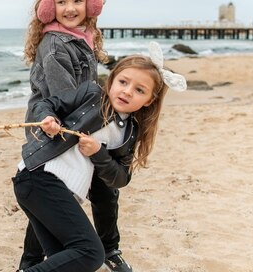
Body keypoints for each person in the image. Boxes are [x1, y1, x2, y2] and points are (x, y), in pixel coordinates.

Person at [13, 46, 187, 272]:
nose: (127, 92)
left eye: (139, 90)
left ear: (149, 101)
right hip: (39, 175)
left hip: (57, 190)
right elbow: (46, 104)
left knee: (67, 260)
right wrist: (48, 117)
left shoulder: (130, 132)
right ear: (112, 80)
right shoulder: (91, 94)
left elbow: (120, 177)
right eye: (123, 82)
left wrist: (98, 153)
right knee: (91, 253)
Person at [21, 0, 138, 272]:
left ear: (91, 3)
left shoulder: (81, 37)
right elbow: (65, 99)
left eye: (76, 1)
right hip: (56, 127)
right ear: (48, 7)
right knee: (60, 196)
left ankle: (108, 248)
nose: (69, 8)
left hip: (80, 122)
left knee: (95, 192)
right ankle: (34, 261)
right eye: (61, 2)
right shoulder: (56, 44)